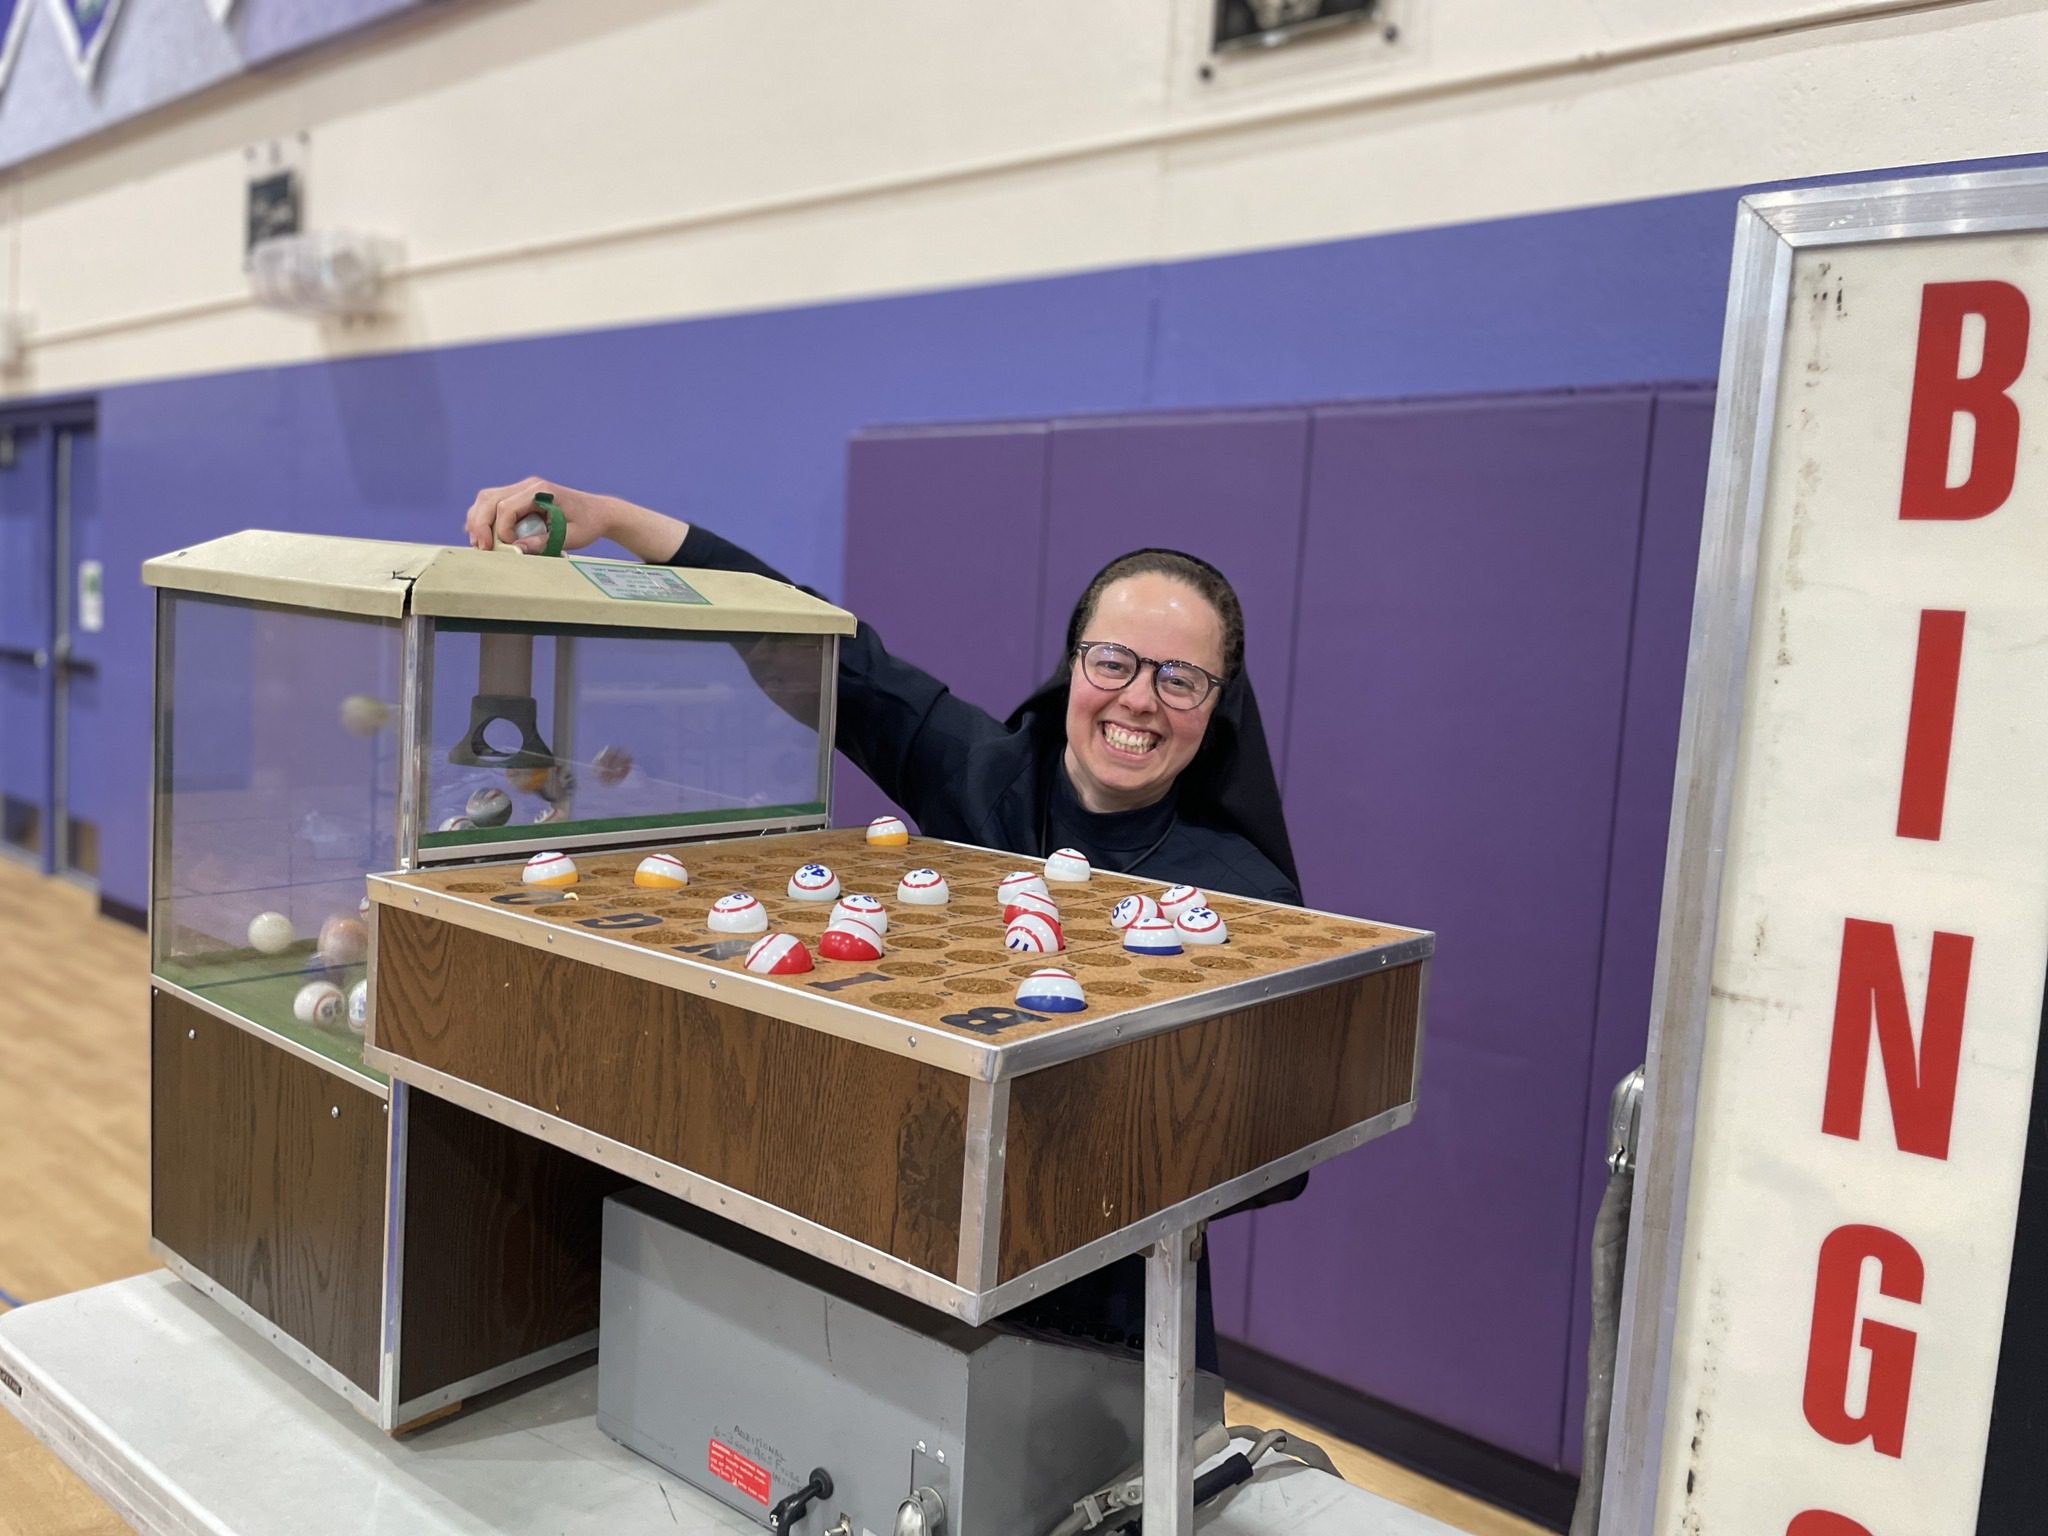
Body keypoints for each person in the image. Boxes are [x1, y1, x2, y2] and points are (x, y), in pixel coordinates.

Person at [463, 477, 1306, 1362]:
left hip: (1115, 1321)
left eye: (1181, 679)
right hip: (931, 1284)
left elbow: (1277, 1158)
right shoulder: (984, 778)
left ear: (1217, 709)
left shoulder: (1243, 895)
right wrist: (617, 520)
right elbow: (828, 652)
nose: (1139, 699)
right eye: (1115, 662)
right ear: (1074, 669)